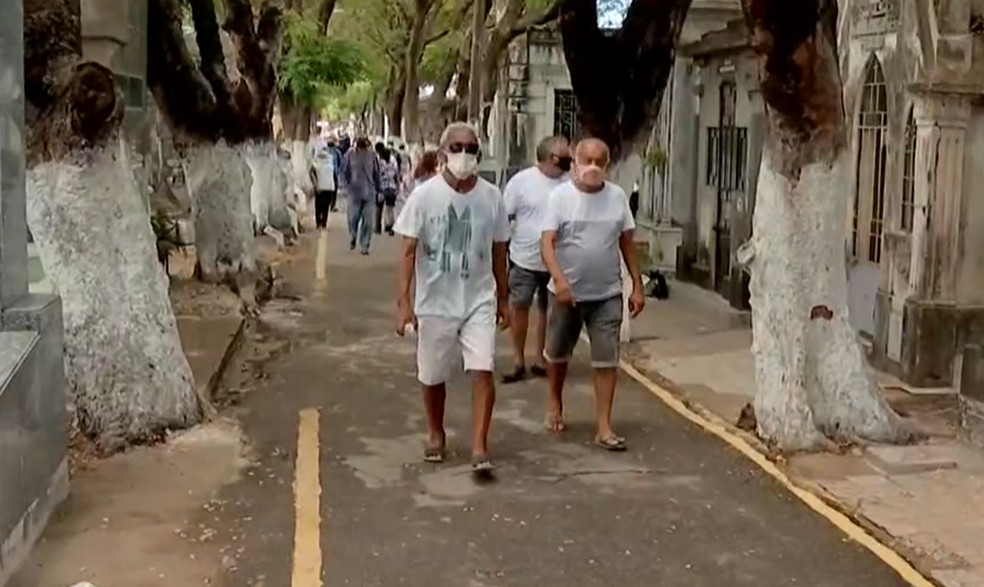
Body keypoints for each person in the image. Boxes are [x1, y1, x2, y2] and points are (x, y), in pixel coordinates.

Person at [394, 122, 510, 477]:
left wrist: (503, 299)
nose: (464, 155)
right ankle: (435, 432)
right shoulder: (424, 196)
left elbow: (499, 250)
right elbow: (408, 251)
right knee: (432, 376)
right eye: (457, 147)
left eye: (471, 148)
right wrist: (404, 303)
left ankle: (479, 446)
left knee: (483, 369)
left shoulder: (492, 197)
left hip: (478, 299)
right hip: (436, 303)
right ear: (443, 153)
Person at [540, 138, 645, 449]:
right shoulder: (560, 198)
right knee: (557, 355)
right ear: (574, 162)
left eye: (600, 162)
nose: (593, 167)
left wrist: (636, 285)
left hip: (607, 294)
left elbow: (626, 242)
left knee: (606, 361)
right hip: (567, 295)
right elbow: (546, 244)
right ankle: (555, 403)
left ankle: (604, 426)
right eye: (587, 160)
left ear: (607, 165)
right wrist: (559, 281)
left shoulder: (617, 198)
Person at [501, 136, 572, 385]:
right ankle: (518, 359)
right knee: (519, 306)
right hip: (524, 259)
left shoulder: (570, 184)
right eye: (563, 155)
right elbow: (505, 216)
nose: (568, 159)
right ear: (550, 157)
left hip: (557, 261)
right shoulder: (521, 183)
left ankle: (541, 358)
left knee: (549, 311)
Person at [340, 136, 381, 254]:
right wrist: (345, 185)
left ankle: (365, 245)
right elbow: (344, 172)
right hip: (354, 193)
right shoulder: (349, 155)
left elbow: (376, 173)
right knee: (353, 218)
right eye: (360, 147)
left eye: (364, 148)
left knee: (368, 222)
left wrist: (379, 190)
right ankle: (353, 235)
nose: (362, 150)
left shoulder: (372, 156)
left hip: (369, 193)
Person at [310, 146, 338, 229]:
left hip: (320, 188)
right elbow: (334, 177)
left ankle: (318, 223)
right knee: (326, 206)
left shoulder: (315, 164)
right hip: (329, 188)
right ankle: (324, 223)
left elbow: (312, 175)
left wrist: (315, 185)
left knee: (318, 206)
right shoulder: (330, 164)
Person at [378, 147, 401, 235]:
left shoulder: (380, 164)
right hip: (392, 188)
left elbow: (378, 176)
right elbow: (396, 176)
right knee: (390, 208)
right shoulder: (393, 165)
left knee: (381, 207)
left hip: (383, 188)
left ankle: (384, 225)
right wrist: (397, 188)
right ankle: (391, 225)